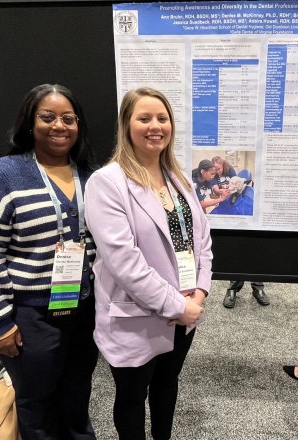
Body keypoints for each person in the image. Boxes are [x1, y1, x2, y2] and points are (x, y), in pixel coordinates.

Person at [0, 84, 99, 439]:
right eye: (47, 117)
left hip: (85, 311)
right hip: (31, 316)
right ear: (29, 122)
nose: (59, 126)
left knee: (77, 397)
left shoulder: (90, 176)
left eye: (68, 118)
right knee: (37, 405)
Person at [84, 87, 211, 440]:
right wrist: (177, 306)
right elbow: (124, 262)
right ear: (126, 125)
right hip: (136, 317)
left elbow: (201, 240)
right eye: (144, 118)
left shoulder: (177, 178)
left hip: (186, 310)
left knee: (168, 383)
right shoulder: (107, 183)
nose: (155, 126)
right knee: (132, 396)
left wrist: (199, 293)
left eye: (162, 118)